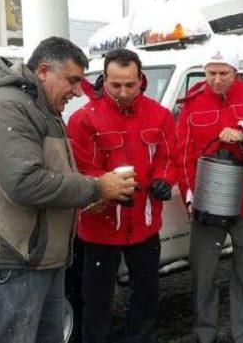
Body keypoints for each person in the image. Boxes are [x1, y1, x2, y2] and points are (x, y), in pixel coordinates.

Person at [0, 37, 137, 343]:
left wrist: (87, 200)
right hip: (15, 264)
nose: (78, 91)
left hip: (43, 259)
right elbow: (25, 183)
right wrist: (96, 187)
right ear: (44, 70)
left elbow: (53, 175)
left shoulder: (42, 108)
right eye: (72, 81)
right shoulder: (6, 106)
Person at [67, 48, 177, 343]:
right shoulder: (83, 119)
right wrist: (108, 190)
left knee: (146, 295)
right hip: (100, 228)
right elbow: (83, 169)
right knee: (96, 301)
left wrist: (163, 181)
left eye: (130, 84)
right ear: (104, 80)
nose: (123, 92)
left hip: (144, 224)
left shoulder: (160, 115)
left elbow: (168, 157)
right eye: (115, 85)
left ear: (141, 80)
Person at [175, 45, 243, 342]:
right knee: (203, 270)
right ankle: (204, 332)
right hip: (209, 200)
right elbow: (183, 155)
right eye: (210, 73)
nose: (216, 79)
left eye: (223, 73)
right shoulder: (192, 103)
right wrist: (191, 195)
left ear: (236, 72)